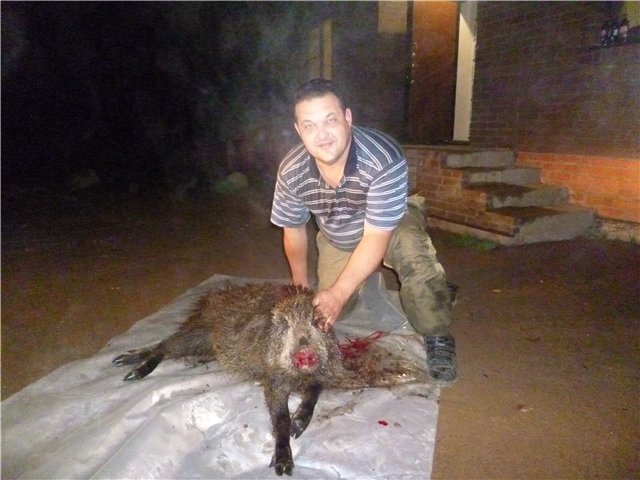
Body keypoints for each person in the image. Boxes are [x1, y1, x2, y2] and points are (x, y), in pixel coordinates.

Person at [270, 78, 457, 386]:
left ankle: (437, 330)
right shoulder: (292, 170)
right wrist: (301, 289)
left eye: (330, 120)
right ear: (298, 130)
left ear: (347, 118)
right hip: (338, 234)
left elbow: (375, 237)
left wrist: (338, 292)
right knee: (332, 312)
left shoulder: (383, 157)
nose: (322, 134)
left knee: (414, 254)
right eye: (310, 125)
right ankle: (365, 281)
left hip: (390, 225)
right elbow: (294, 231)